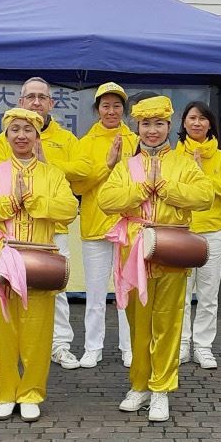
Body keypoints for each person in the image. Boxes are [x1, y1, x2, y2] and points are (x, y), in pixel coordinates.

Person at [98, 95, 213, 422]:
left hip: (172, 247)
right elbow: (107, 199)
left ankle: (161, 387)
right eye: (146, 124)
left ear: (168, 126)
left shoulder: (184, 162)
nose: (152, 131)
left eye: (159, 124)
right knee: (138, 322)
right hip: (134, 250)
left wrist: (167, 188)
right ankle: (139, 385)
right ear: (137, 126)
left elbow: (204, 196)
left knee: (168, 321)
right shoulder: (126, 165)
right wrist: (139, 191)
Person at [0, 107, 78, 422]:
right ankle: (6, 392)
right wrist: (9, 203)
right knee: (4, 329)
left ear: (37, 135)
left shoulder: (51, 174)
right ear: (6, 134)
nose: (21, 135)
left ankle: (31, 392)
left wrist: (35, 202)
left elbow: (69, 208)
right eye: (14, 129)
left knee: (38, 330)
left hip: (39, 258)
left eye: (28, 130)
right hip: (1, 259)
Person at [0, 77, 90, 372]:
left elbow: (84, 170)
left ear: (51, 103)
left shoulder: (65, 138)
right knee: (7, 288)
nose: (36, 102)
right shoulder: (6, 137)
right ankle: (7, 348)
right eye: (30, 96)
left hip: (52, 229)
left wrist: (47, 166)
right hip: (11, 231)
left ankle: (59, 345)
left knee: (53, 287)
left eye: (42, 97)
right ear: (21, 102)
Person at [74, 81, 138, 368]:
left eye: (116, 105)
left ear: (124, 110)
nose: (111, 111)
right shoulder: (85, 143)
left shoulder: (136, 140)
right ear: (97, 109)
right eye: (105, 105)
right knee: (96, 292)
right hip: (95, 225)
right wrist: (108, 165)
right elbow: (78, 184)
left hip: (128, 226)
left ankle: (129, 346)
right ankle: (93, 347)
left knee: (127, 291)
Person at [175, 101, 221, 370]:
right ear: (184, 123)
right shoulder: (173, 156)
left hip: (212, 232)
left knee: (208, 294)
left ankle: (203, 346)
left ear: (210, 124)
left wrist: (203, 177)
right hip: (181, 232)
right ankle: (180, 344)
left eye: (203, 118)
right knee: (180, 294)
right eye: (192, 118)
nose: (197, 123)